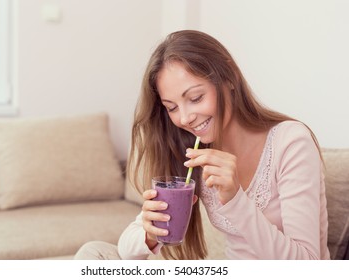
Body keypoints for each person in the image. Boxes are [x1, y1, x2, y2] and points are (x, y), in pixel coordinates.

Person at [74, 30, 330, 260]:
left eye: (195, 98)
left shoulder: (291, 142)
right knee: (94, 253)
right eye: (172, 107)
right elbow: (126, 250)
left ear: (228, 78)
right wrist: (150, 234)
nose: (184, 118)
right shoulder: (196, 154)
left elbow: (306, 264)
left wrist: (235, 200)